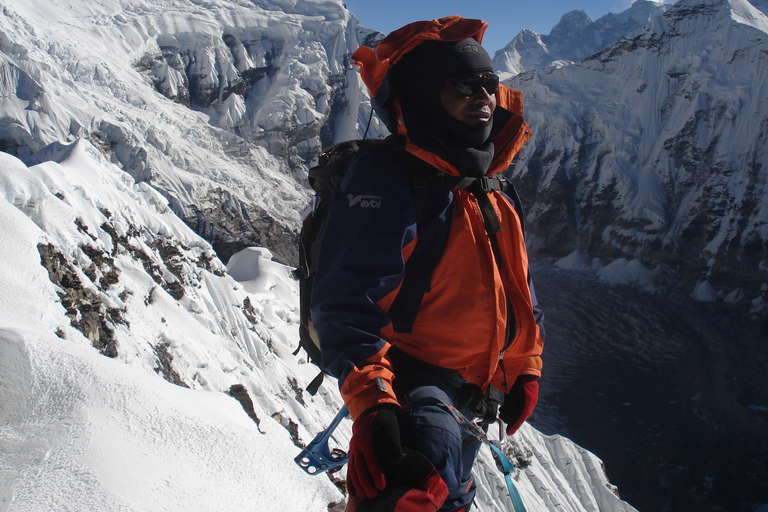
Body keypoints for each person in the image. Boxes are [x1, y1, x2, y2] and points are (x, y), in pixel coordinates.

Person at [311, 16, 545, 512]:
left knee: (450, 497)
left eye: (487, 83)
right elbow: (347, 300)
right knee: (412, 496)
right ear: (421, 95)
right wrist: (373, 402)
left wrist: (525, 365)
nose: (481, 96)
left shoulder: (495, 187)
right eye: (461, 86)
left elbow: (518, 290)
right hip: (412, 385)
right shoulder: (391, 177)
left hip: (475, 391)